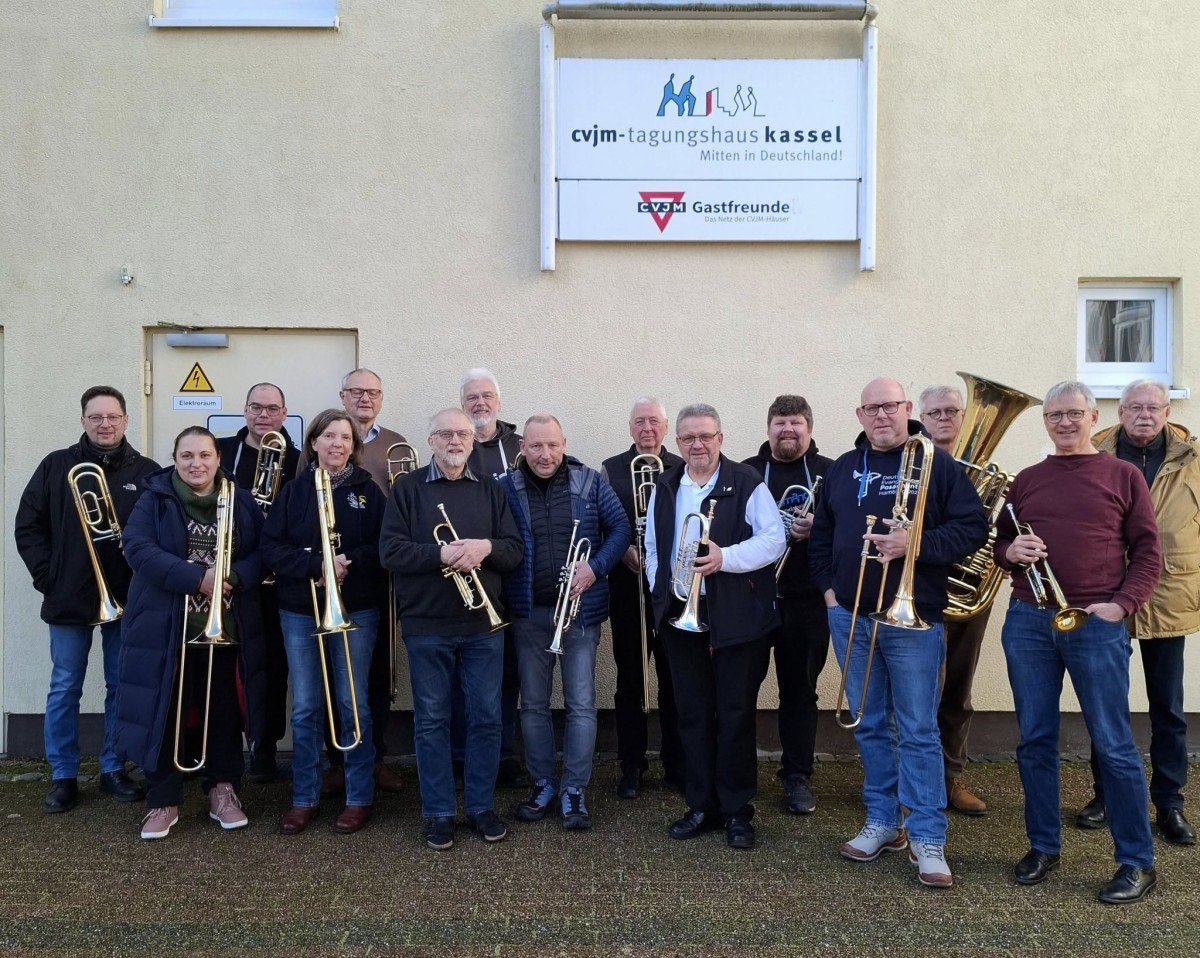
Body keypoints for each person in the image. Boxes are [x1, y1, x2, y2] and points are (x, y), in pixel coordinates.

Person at [808, 378, 987, 889]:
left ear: (907, 408)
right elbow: (822, 535)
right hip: (850, 616)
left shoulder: (936, 464)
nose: (881, 415)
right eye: (872, 407)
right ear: (859, 414)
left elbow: (973, 528)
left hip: (913, 620)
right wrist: (829, 593)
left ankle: (927, 835)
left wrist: (916, 544)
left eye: (890, 405)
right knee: (869, 725)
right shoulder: (844, 467)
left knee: (918, 730)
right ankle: (883, 822)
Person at [995, 380, 1162, 904]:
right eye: (1054, 416)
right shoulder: (1027, 480)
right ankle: (1043, 845)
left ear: (1093, 417)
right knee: (1034, 740)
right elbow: (1000, 543)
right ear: (1045, 421)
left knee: (1113, 743)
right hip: (1028, 620)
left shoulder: (1123, 475)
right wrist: (1010, 552)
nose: (1064, 423)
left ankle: (1136, 861)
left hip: (1095, 623)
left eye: (1074, 414)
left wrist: (1122, 604)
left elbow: (1149, 551)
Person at [113, 427, 267, 840]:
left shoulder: (240, 499)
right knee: (164, 713)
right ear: (175, 459)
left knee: (222, 712)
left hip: (224, 628)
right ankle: (163, 799)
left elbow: (261, 552)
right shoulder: (155, 498)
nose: (196, 463)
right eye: (187, 456)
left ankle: (223, 790)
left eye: (204, 455)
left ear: (218, 459)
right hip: (167, 629)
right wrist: (197, 579)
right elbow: (138, 548)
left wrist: (233, 576)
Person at [380, 408, 523, 850]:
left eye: (462, 434)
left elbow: (514, 550)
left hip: (484, 626)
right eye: (445, 434)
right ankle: (439, 812)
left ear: (473, 441)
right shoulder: (407, 489)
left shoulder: (491, 490)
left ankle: (480, 807)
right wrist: (441, 555)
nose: (454, 441)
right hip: (427, 625)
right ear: (431, 441)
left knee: (487, 718)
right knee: (431, 721)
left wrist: (484, 547)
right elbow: (390, 552)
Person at [645, 403, 785, 850]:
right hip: (682, 618)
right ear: (678, 442)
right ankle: (701, 805)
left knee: (736, 714)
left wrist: (726, 558)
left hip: (737, 618)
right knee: (692, 714)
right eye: (688, 438)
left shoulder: (746, 481)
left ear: (720, 439)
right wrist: (665, 588)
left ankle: (737, 810)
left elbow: (774, 539)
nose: (697, 445)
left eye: (706, 436)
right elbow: (652, 546)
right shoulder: (666, 485)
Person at [15, 386, 159, 814]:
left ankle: (113, 767)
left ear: (126, 420)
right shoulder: (56, 465)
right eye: (95, 417)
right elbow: (28, 526)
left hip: (125, 597)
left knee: (120, 684)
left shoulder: (147, 471)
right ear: (83, 421)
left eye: (112, 416)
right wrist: (48, 577)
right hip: (69, 597)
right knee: (65, 685)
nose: (104, 424)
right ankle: (63, 774)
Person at [500, 415, 631, 830]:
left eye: (553, 445)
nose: (545, 454)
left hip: (580, 612)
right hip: (529, 612)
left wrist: (594, 567)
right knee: (532, 705)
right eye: (536, 446)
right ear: (522, 446)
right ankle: (543, 783)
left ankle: (575, 788)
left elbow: (620, 528)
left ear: (564, 443)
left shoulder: (590, 481)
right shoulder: (505, 486)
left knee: (581, 703)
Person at [262, 409, 387, 836]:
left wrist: (346, 563)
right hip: (300, 609)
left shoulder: (367, 491)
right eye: (329, 436)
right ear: (313, 442)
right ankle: (304, 797)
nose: (337, 444)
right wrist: (316, 565)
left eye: (345, 438)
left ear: (354, 446)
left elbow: (385, 545)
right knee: (305, 706)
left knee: (353, 703)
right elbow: (271, 548)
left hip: (357, 607)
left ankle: (359, 796)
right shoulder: (293, 492)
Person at [1085, 380, 1198, 845]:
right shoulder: (1094, 454)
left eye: (1153, 407)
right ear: (1120, 411)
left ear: (1168, 411)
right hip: (1108, 593)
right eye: (1134, 407)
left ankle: (1170, 803)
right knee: (1105, 703)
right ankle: (1106, 796)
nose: (1144, 415)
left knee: (1168, 707)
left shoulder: (1193, 460)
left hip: (1169, 595)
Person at [742, 394, 833, 816]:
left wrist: (820, 526)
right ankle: (738, 774)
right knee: (740, 690)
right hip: (753, 599)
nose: (787, 429)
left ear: (808, 428)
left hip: (807, 602)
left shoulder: (830, 472)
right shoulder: (745, 472)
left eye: (795, 422)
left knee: (800, 692)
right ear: (768, 428)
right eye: (780, 422)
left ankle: (796, 776)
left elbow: (852, 529)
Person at [600, 397, 685, 799]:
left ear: (665, 427)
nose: (647, 428)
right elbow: (600, 521)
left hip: (672, 590)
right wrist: (623, 550)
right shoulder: (611, 468)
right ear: (630, 427)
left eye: (654, 421)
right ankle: (631, 763)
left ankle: (676, 761)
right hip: (627, 587)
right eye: (639, 422)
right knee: (630, 678)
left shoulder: (682, 466)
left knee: (674, 677)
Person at [217, 382, 301, 783]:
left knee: (274, 667)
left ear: (284, 413)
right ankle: (222, 749)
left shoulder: (299, 460)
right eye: (256, 407)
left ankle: (265, 748)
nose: (263, 415)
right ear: (245, 410)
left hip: (281, 581)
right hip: (231, 577)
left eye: (271, 408)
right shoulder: (219, 453)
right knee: (229, 667)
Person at [330, 367, 409, 794]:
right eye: (357, 391)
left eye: (373, 392)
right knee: (333, 672)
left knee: (377, 670)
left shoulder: (395, 443)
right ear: (342, 396)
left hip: (377, 571)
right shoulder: (326, 437)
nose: (365, 398)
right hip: (328, 575)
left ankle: (374, 757)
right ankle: (336, 761)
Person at [917, 383, 990, 816]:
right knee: (917, 694)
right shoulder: (909, 464)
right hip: (918, 593)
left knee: (958, 690)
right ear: (921, 419)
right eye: (935, 412)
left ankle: (950, 778)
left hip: (968, 595)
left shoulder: (986, 472)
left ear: (964, 416)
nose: (944, 418)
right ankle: (910, 782)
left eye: (952, 411)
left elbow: (996, 529)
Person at [458, 367, 525, 788]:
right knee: (463, 676)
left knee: (507, 673)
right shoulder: (454, 444)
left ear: (498, 402)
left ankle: (504, 756)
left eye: (486, 396)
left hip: (513, 573)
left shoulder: (521, 446)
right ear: (462, 404)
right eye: (472, 397)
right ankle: (463, 757)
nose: (480, 403)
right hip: (464, 578)